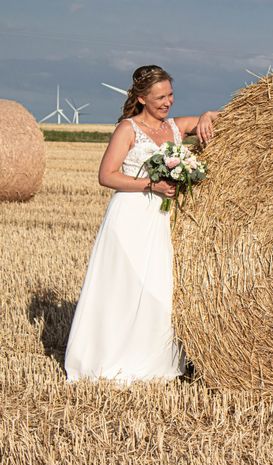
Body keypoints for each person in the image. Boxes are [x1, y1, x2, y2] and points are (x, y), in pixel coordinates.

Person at [65, 65, 218, 383]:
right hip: (131, 216)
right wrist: (152, 184)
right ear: (142, 98)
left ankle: (155, 361)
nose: (168, 102)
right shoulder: (128, 129)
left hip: (161, 220)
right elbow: (106, 175)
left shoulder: (176, 127)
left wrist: (206, 114)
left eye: (171, 94)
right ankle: (111, 359)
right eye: (160, 97)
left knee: (159, 286)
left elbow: (221, 118)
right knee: (125, 285)